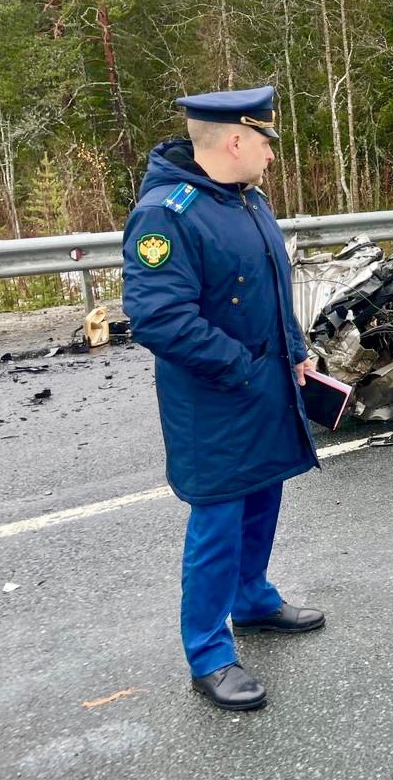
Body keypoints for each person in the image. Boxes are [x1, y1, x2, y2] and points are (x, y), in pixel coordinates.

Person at [121, 86, 324, 709]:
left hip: (263, 382)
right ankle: (208, 653)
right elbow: (156, 317)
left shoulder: (245, 199)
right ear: (235, 140)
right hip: (214, 397)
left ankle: (252, 597)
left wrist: (294, 348)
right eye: (266, 141)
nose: (271, 154)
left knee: (265, 492)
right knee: (218, 518)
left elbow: (271, 282)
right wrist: (239, 366)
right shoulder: (168, 213)